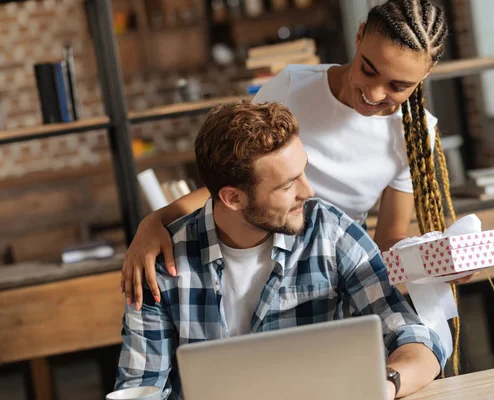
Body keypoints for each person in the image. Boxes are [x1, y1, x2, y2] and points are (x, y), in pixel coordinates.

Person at [121, 0, 458, 310]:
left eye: (398, 86)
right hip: (255, 264)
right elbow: (231, 188)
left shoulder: (415, 134)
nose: (373, 93)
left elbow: (388, 241)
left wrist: (436, 263)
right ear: (359, 36)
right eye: (368, 70)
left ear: (424, 76)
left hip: (331, 274)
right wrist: (155, 221)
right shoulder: (292, 88)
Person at [115, 101, 445, 400]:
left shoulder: (331, 234)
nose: (308, 190)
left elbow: (415, 338)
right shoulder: (160, 265)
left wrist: (383, 386)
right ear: (233, 198)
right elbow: (141, 386)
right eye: (288, 185)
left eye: (302, 172)